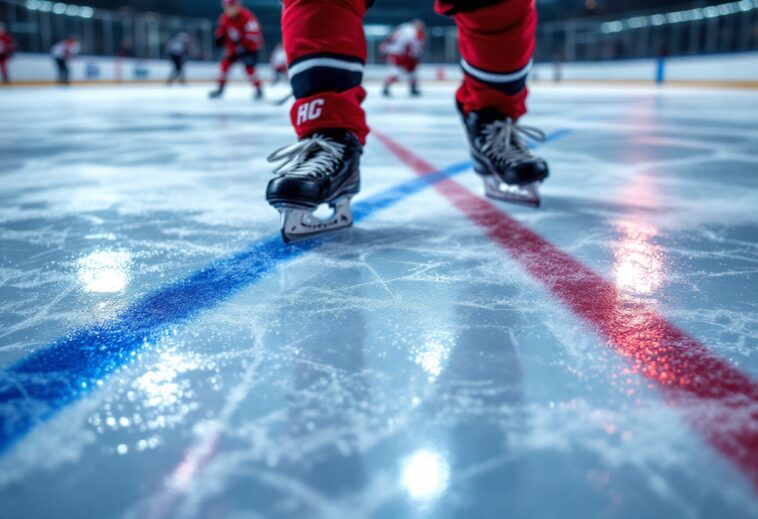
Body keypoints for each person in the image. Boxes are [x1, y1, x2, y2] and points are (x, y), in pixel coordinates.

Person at [265, 0, 550, 243]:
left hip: (406, 58)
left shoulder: (414, 34)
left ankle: (490, 119)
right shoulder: (410, 33)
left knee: (497, 3)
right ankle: (329, 129)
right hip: (400, 58)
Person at [209, 0, 264, 100]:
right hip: (233, 48)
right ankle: (220, 88)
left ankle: (258, 89)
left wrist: (245, 46)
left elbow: (254, 35)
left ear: (238, 6)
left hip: (249, 48)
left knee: (249, 68)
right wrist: (219, 38)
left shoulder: (248, 17)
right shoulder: (224, 18)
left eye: (232, 6)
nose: (230, 9)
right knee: (224, 65)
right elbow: (221, 30)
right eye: (228, 7)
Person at [380, 19, 426, 97]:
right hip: (401, 53)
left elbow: (392, 37)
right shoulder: (415, 32)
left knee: (407, 72)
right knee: (400, 72)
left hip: (396, 52)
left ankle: (387, 87)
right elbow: (413, 46)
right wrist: (414, 54)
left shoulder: (404, 27)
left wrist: (385, 46)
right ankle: (387, 87)